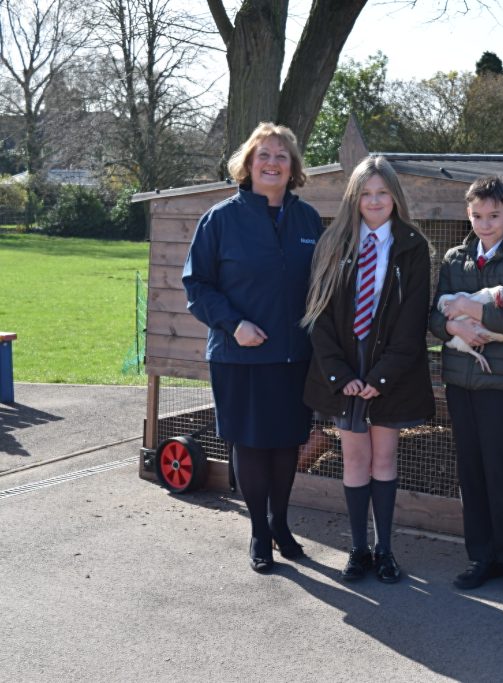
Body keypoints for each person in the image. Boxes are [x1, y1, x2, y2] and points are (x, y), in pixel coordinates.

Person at [182, 122, 322, 573]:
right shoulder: (220, 218)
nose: (273, 163)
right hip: (238, 354)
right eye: (264, 155)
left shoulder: (307, 220)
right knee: (251, 445)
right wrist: (233, 323)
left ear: (293, 167)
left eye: (282, 156)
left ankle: (280, 525)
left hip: (293, 356)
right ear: (248, 163)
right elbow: (196, 284)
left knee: (287, 445)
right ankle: (259, 533)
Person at [302, 156, 434, 584]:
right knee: (354, 458)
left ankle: (385, 550)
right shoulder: (334, 243)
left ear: (395, 196)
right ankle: (358, 549)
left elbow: (413, 321)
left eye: (382, 193)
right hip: (344, 369)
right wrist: (342, 376)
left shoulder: (413, 246)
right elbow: (317, 316)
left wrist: (379, 378)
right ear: (353, 198)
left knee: (384, 457)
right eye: (366, 193)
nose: (374, 201)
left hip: (388, 371)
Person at [429, 175, 503, 596]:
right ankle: (482, 556)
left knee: (501, 470)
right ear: (468, 214)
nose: (485, 223)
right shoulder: (455, 258)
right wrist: (453, 323)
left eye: (494, 215)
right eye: (477, 215)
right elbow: (434, 320)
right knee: (471, 471)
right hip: (460, 379)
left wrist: (472, 311)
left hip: (500, 381)